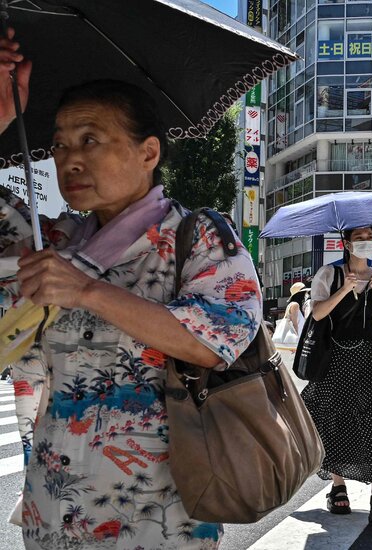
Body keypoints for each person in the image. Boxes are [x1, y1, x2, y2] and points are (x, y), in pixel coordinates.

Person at [0, 52, 261, 549]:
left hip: (161, 514)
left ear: (149, 153)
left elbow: (217, 339)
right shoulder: (52, 242)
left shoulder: (197, 234)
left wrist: (87, 291)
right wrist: (1, 117)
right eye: (58, 144)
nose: (68, 159)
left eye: (90, 140)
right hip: (55, 508)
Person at [301, 226, 372, 523]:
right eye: (360, 239)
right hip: (334, 357)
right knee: (334, 417)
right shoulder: (329, 274)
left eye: (370, 239)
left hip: (369, 356)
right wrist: (345, 288)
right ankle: (338, 486)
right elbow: (316, 314)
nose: (366, 244)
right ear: (346, 244)